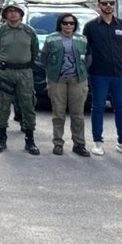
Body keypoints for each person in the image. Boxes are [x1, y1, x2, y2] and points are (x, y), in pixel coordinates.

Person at [82, 0, 122, 157]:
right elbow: (86, 49)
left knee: (121, 108)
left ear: (114, 5)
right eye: (104, 3)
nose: (108, 6)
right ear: (99, 5)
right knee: (98, 108)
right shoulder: (90, 26)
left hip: (120, 73)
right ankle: (97, 143)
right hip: (99, 74)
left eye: (111, 3)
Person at [0, 1, 40, 155]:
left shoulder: (29, 31)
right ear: (5, 15)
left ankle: (30, 139)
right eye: (9, 11)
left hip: (25, 73)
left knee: (28, 106)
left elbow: (34, 50)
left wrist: (24, 64)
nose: (13, 14)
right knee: (3, 106)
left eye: (16, 11)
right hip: (5, 72)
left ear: (21, 14)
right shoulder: (0, 32)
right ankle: (1, 138)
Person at [40, 13, 90, 157]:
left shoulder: (82, 39)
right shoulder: (51, 39)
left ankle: (79, 144)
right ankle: (58, 143)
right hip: (57, 80)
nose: (68, 26)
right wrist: (52, 72)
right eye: (65, 23)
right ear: (60, 24)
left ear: (75, 25)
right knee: (58, 113)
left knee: (78, 114)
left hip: (78, 80)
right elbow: (44, 58)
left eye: (71, 23)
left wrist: (83, 71)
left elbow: (89, 57)